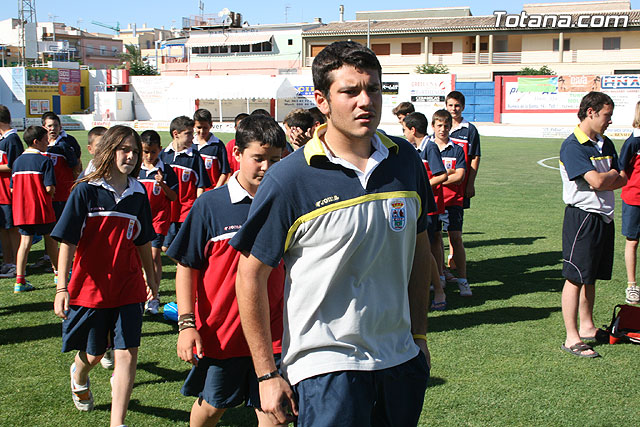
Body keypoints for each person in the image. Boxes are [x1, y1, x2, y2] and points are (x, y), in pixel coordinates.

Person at [230, 41, 433, 426]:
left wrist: (419, 336)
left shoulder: (405, 161)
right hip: (325, 366)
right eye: (350, 91)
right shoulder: (289, 177)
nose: (365, 101)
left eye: (373, 89)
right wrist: (266, 374)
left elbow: (420, 251)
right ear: (322, 100)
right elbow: (250, 275)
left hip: (400, 359)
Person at [168, 114, 286, 427]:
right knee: (212, 407)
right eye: (258, 158)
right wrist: (185, 324)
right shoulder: (210, 205)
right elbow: (186, 266)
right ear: (236, 154)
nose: (267, 168)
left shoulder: (287, 203)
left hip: (275, 335)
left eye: (276, 160)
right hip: (223, 335)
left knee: (275, 413)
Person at [52, 125, 157, 426]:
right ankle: (79, 373)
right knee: (95, 354)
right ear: (109, 150)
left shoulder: (139, 193)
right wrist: (62, 288)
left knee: (126, 354)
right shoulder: (85, 190)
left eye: (135, 151)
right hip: (91, 289)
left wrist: (150, 279)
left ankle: (117, 423)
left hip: (128, 287)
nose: (131, 156)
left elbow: (143, 241)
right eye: (125, 149)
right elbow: (68, 240)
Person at [559, 91, 625, 358]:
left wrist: (606, 177)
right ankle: (571, 336)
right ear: (591, 112)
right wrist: (608, 176)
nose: (610, 120)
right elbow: (598, 182)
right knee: (575, 277)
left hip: (603, 217)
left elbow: (622, 178)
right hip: (582, 218)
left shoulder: (605, 143)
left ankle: (587, 326)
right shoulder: (573, 145)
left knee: (591, 277)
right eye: (607, 115)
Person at [403, 112, 449, 309]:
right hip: (423, 207)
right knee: (429, 248)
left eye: (404, 130)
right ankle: (436, 283)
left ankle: (439, 290)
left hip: (429, 208)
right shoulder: (416, 149)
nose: (403, 133)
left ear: (413, 130)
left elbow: (442, 175)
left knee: (425, 251)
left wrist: (422, 185)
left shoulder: (429, 147)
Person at [11, 126, 57, 292]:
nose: (48, 143)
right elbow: (49, 188)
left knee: (24, 243)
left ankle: (20, 280)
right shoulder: (44, 160)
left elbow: (12, 189)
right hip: (41, 208)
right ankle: (59, 273)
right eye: (46, 140)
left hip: (22, 210)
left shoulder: (17, 162)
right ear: (36, 142)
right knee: (51, 240)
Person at [431, 109, 471, 297]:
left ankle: (463, 280)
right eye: (439, 125)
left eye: (446, 126)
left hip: (453, 201)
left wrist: (438, 179)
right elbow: (449, 175)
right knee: (436, 240)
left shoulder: (456, 149)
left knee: (456, 238)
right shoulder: (428, 148)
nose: (443, 129)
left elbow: (460, 176)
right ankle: (439, 277)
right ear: (433, 126)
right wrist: (449, 174)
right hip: (433, 201)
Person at [138, 130, 178, 314]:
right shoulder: (135, 169)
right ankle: (140, 293)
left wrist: (162, 184)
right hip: (139, 219)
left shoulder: (166, 170)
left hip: (158, 219)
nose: (149, 156)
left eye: (153, 152)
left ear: (160, 150)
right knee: (138, 257)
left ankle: (153, 296)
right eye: (145, 151)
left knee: (153, 256)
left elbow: (174, 196)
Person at [159, 116, 210, 251]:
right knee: (167, 247)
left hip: (186, 210)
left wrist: (198, 207)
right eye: (188, 134)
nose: (192, 138)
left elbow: (201, 185)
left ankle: (191, 270)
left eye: (192, 134)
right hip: (168, 210)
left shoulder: (195, 157)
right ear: (176, 134)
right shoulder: (163, 156)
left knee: (178, 247)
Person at [445, 91, 481, 270]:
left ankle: (452, 258)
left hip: (459, 186)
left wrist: (470, 183)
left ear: (463, 107)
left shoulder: (470, 129)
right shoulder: (441, 126)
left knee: (455, 227)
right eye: (450, 105)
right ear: (446, 106)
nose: (454, 109)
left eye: (457, 105)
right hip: (441, 186)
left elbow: (475, 157)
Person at [619, 101, 640, 305]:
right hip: (634, 199)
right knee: (632, 241)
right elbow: (621, 170)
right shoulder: (633, 142)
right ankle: (632, 285)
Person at [0, 105, 24, 279]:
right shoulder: (3, 139)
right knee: (3, 228)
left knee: (12, 229)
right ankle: (7, 262)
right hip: (1, 192)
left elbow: (13, 166)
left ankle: (16, 264)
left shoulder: (12, 139)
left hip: (9, 192)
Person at [193, 109, 231, 189]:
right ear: (194, 125)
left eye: (205, 128)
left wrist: (216, 189)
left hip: (211, 190)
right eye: (199, 127)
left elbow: (225, 171)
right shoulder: (190, 144)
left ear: (211, 125)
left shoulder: (218, 145)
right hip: (193, 196)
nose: (202, 131)